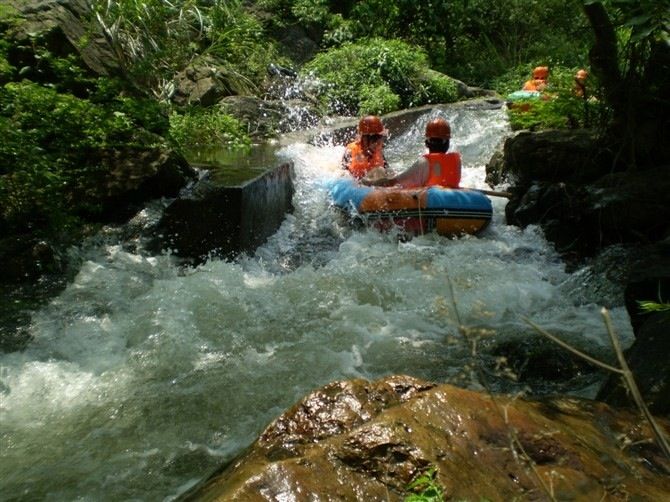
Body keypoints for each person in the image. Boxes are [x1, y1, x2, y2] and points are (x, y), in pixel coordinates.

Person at [363, 117, 461, 189]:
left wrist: (367, 183)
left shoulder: (423, 163)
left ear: (426, 143)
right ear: (448, 142)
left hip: (428, 204)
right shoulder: (457, 161)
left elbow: (393, 182)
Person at [341, 115, 389, 180]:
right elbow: (343, 171)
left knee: (381, 171)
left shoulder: (379, 150)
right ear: (364, 138)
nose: (379, 143)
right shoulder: (351, 150)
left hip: (372, 181)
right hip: (357, 182)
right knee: (378, 171)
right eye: (376, 140)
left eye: (380, 138)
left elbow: (387, 169)